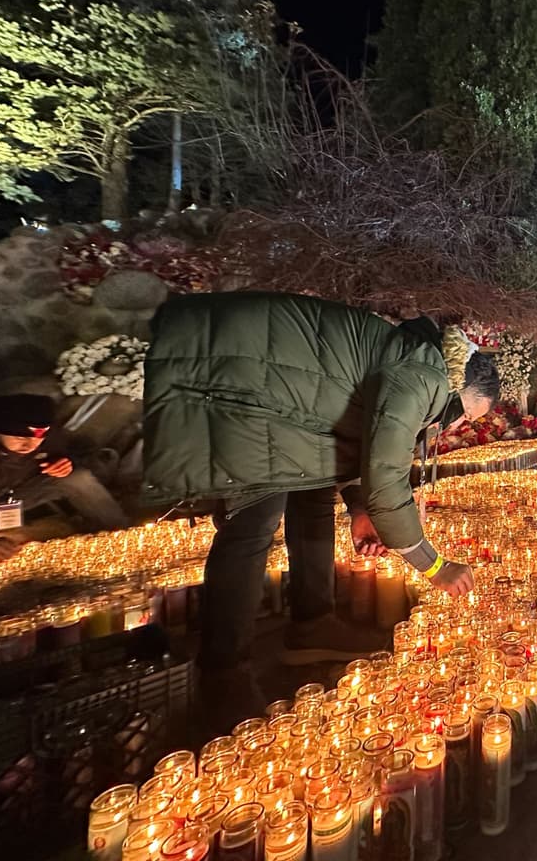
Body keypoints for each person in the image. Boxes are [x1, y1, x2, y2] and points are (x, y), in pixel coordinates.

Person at [142, 292, 492, 728]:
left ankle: (312, 624)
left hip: (276, 399)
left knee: (313, 492)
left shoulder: (414, 359)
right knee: (252, 523)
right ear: (458, 387)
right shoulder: (424, 377)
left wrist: (359, 508)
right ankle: (222, 673)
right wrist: (434, 565)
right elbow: (386, 476)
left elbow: (342, 423)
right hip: (238, 386)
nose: (454, 425)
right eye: (462, 415)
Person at [0, 394, 129, 560]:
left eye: (37, 439)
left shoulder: (42, 433)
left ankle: (123, 536)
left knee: (77, 478)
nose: (30, 446)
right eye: (20, 438)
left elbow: (62, 452)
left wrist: (65, 463)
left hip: (9, 497)